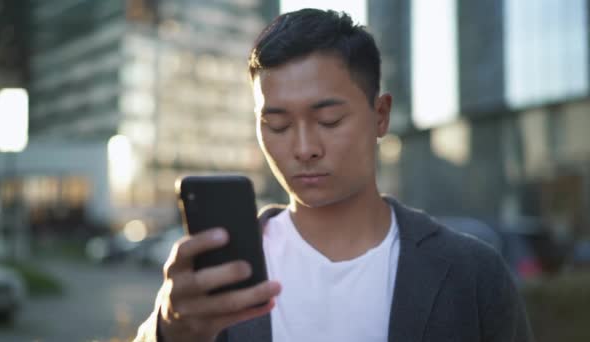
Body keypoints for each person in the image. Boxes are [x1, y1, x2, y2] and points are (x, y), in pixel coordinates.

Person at [135, 8, 533, 342]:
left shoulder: (473, 273)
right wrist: (168, 330)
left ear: (380, 116)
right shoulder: (220, 273)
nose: (304, 147)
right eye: (277, 125)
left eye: (329, 119)